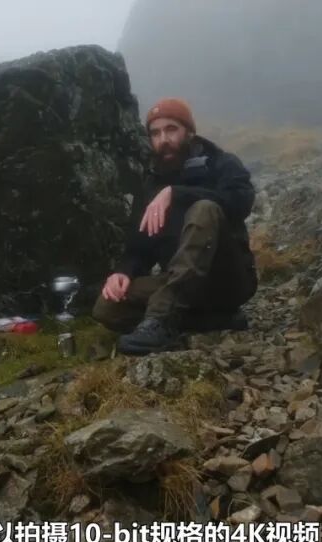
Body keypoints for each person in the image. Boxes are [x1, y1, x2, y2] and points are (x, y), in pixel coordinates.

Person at [93, 97, 258, 355]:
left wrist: (177, 194)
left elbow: (241, 201)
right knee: (107, 307)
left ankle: (160, 320)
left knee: (204, 209)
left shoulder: (220, 162)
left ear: (189, 132)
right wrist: (123, 272)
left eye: (171, 129)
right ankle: (213, 321)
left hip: (225, 280)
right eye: (155, 133)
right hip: (181, 285)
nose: (163, 139)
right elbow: (139, 247)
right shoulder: (151, 183)